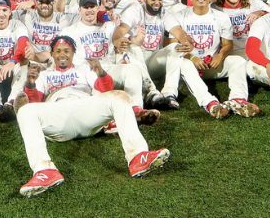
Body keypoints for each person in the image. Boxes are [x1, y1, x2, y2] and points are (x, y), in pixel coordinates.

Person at [14, 36, 170, 198]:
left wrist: (100, 72)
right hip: (58, 113)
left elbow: (106, 89)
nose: (62, 54)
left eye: (66, 51)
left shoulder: (83, 69)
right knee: (25, 111)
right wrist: (30, 83)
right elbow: (35, 101)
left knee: (119, 96)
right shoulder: (44, 74)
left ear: (73, 53)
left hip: (84, 108)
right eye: (58, 51)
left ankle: (138, 157)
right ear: (52, 54)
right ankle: (44, 171)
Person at [164, 0, 259, 119]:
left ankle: (238, 99)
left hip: (212, 63)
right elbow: (173, 47)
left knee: (238, 61)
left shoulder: (221, 17)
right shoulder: (179, 16)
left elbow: (228, 44)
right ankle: (210, 103)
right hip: (191, 65)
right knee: (184, 64)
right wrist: (192, 57)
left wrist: (220, 55)